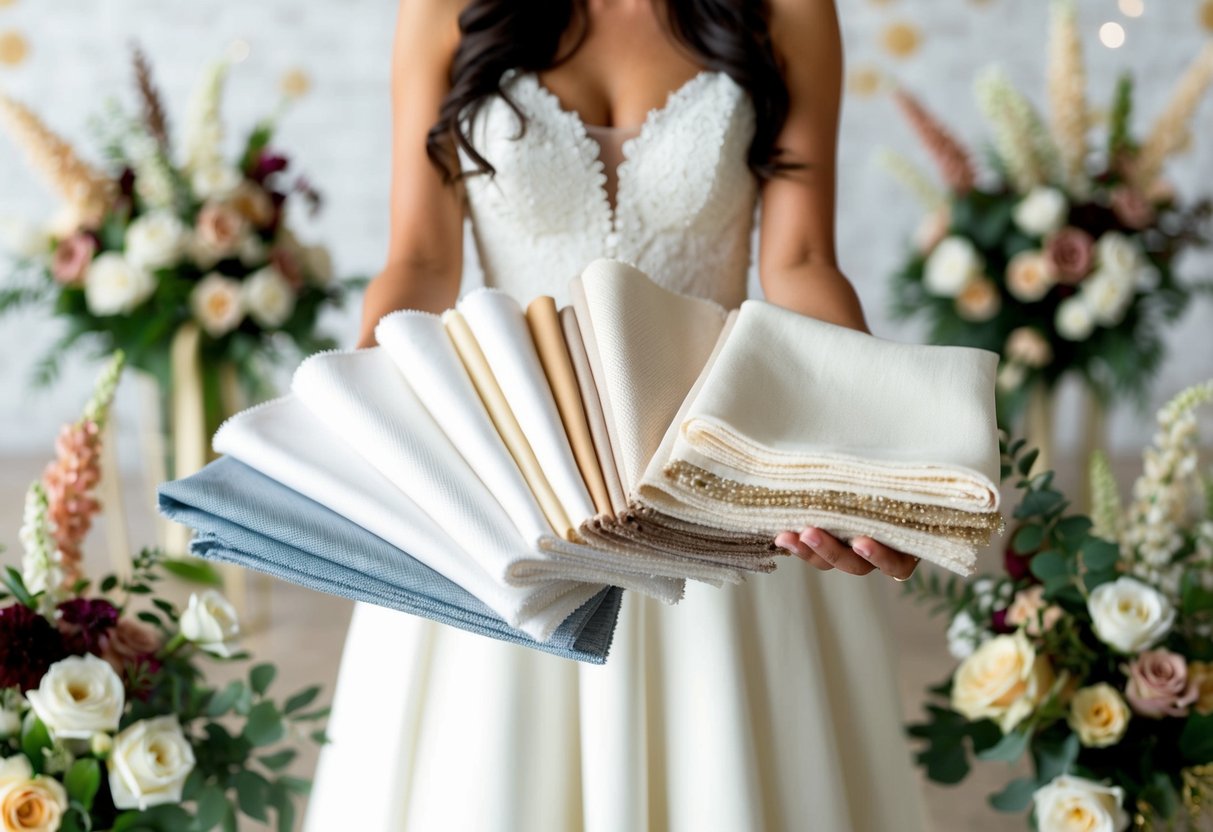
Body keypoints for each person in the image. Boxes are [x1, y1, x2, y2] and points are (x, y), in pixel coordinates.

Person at [306, 0, 929, 829]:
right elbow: (420, 259)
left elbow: (802, 259)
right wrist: (367, 424)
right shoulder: (441, 8)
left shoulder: (789, 9)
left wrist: (868, 459)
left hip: (714, 473)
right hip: (513, 480)